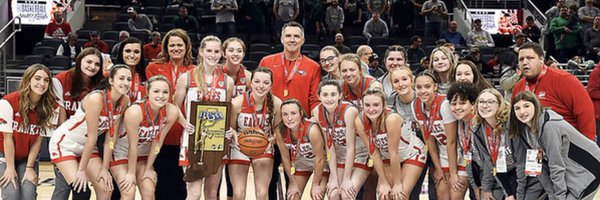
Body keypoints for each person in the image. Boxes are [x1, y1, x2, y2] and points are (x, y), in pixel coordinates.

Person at [49, 64, 131, 199]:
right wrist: (81, 170)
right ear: (111, 80)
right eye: (121, 78)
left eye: (129, 79)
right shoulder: (96, 99)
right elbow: (92, 137)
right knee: (82, 191)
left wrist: (105, 169)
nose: (126, 83)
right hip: (65, 143)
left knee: (106, 189)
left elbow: (111, 137)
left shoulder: (124, 100)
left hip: (88, 146)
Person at [110, 75, 189, 199]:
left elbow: (158, 143)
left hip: (143, 156)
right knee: (128, 191)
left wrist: (148, 168)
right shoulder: (135, 112)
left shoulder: (172, 112)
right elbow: (133, 145)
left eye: (165, 92)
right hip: (122, 153)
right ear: (147, 92)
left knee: (149, 191)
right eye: (156, 91)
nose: (161, 96)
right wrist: (131, 173)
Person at [510, 91, 600, 200]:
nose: (522, 111)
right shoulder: (526, 132)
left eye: (526, 106)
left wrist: (559, 197)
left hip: (588, 170)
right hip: (570, 175)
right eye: (517, 108)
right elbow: (539, 167)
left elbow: (556, 166)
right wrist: (552, 194)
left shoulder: (550, 127)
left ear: (536, 105)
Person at [174, 35, 234, 200]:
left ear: (221, 53)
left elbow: (226, 111)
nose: (213, 55)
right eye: (209, 50)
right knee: (193, 194)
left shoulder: (227, 82)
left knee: (211, 193)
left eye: (216, 51)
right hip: (192, 140)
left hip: (216, 140)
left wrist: (227, 130)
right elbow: (173, 107)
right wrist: (184, 123)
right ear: (200, 52)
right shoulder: (186, 78)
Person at [145, 28, 196, 200]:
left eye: (179, 45)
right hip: (161, 131)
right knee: (161, 180)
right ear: (165, 47)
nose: (176, 48)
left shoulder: (195, 70)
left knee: (180, 182)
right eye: (172, 45)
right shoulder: (153, 67)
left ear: (187, 47)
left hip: (184, 132)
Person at [0, 64, 62, 200]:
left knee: (29, 195)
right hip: (4, 152)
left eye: (46, 80)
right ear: (28, 80)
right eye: (37, 78)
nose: (42, 83)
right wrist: (10, 168)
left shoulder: (52, 107)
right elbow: (7, 139)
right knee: (11, 194)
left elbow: (39, 140)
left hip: (26, 156)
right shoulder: (8, 102)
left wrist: (29, 167)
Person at [512, 42, 596, 141]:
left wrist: (587, 146)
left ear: (541, 59)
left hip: (566, 146)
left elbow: (585, 113)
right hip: (533, 146)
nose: (525, 62)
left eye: (530, 58)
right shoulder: (519, 87)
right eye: (521, 59)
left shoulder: (564, 79)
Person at [355, 88, 426, 199]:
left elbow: (394, 153)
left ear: (384, 105)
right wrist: (383, 181)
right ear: (362, 106)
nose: (371, 109)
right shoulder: (359, 121)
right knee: (384, 195)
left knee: (400, 195)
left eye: (376, 105)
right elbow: (374, 153)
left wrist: (397, 183)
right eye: (367, 105)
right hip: (387, 156)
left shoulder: (391, 119)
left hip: (411, 153)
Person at [228, 67, 283, 199]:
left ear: (271, 85)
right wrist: (236, 138)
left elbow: (278, 131)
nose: (261, 86)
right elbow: (231, 127)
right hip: (240, 146)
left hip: (264, 146)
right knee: (238, 193)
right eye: (257, 81)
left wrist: (271, 141)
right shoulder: (237, 103)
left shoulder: (276, 103)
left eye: (265, 83)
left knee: (262, 193)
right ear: (251, 83)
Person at [311, 80, 368, 200]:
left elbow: (350, 147)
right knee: (333, 194)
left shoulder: (349, 111)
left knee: (347, 194)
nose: (329, 99)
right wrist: (333, 177)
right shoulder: (317, 112)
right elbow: (329, 146)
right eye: (325, 95)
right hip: (340, 156)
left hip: (360, 154)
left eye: (333, 94)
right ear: (318, 96)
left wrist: (346, 179)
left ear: (340, 95)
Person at [413, 71, 464, 200]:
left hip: (461, 151)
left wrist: (453, 173)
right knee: (442, 195)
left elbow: (452, 142)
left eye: (427, 86)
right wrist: (438, 168)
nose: (423, 91)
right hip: (443, 152)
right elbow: (429, 139)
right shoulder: (416, 105)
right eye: (418, 87)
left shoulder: (444, 104)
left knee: (455, 194)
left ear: (435, 87)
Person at [385, 67, 429, 200]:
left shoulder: (423, 99)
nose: (401, 84)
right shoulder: (390, 101)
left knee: (409, 192)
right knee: (392, 194)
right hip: (398, 149)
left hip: (420, 148)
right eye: (396, 81)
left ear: (412, 80)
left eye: (404, 79)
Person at [258, 21, 321, 114]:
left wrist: (313, 120)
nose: (292, 40)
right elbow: (258, 92)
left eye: (296, 36)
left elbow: (315, 100)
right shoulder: (266, 62)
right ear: (282, 39)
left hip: (300, 123)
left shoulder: (313, 67)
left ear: (303, 40)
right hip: (271, 119)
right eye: (288, 36)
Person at [274, 99, 327, 200]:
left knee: (316, 195)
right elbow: (285, 158)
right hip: (302, 162)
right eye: (285, 114)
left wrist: (315, 184)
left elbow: (320, 157)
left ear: (301, 113)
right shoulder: (280, 132)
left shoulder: (312, 130)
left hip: (321, 163)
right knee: (293, 196)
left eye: (293, 113)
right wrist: (293, 183)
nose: (289, 118)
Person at [472, 88, 517, 199]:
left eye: (490, 102)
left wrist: (513, 193)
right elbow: (490, 162)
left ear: (500, 104)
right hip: (500, 174)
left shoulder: (511, 124)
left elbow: (521, 161)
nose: (485, 105)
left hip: (521, 174)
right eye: (481, 102)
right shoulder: (478, 130)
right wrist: (508, 193)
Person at [115, 37, 147, 103]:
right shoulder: (109, 75)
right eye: (128, 51)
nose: (132, 55)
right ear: (121, 53)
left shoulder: (147, 76)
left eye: (136, 52)